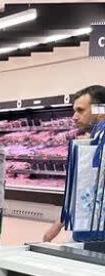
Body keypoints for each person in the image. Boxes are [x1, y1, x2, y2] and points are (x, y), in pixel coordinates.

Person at [43, 84, 105, 242]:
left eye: (81, 110)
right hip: (89, 230)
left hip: (96, 235)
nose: (74, 117)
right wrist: (61, 221)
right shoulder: (97, 137)